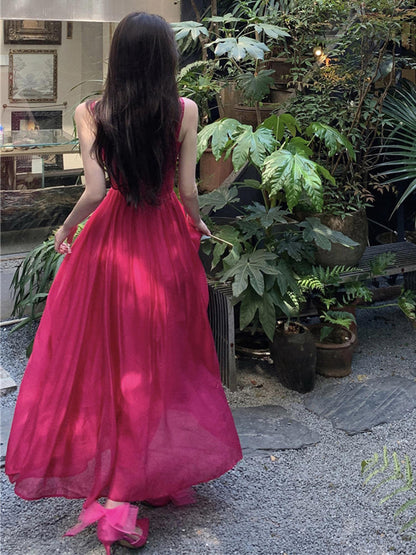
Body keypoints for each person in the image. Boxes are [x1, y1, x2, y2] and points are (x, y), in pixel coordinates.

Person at [5, 12, 242, 554]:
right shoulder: (185, 110)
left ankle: (124, 479)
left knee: (112, 360)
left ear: (119, 56)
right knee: (157, 359)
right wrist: (199, 223)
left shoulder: (90, 111)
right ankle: (127, 490)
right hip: (162, 242)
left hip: (109, 244)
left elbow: (93, 190)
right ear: (165, 57)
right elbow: (185, 188)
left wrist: (65, 231)